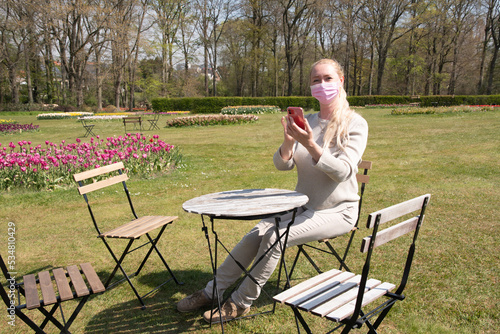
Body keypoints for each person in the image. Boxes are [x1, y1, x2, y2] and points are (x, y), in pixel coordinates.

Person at [177, 58, 369, 323]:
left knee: (275, 236)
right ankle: (212, 291)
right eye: (316, 80)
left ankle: (240, 303)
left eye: (327, 78)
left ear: (340, 81)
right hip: (303, 207)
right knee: (257, 232)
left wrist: (312, 145)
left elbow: (344, 172)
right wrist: (289, 142)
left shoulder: (355, 124)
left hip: (338, 211)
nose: (321, 84)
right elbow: (283, 165)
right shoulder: (308, 121)